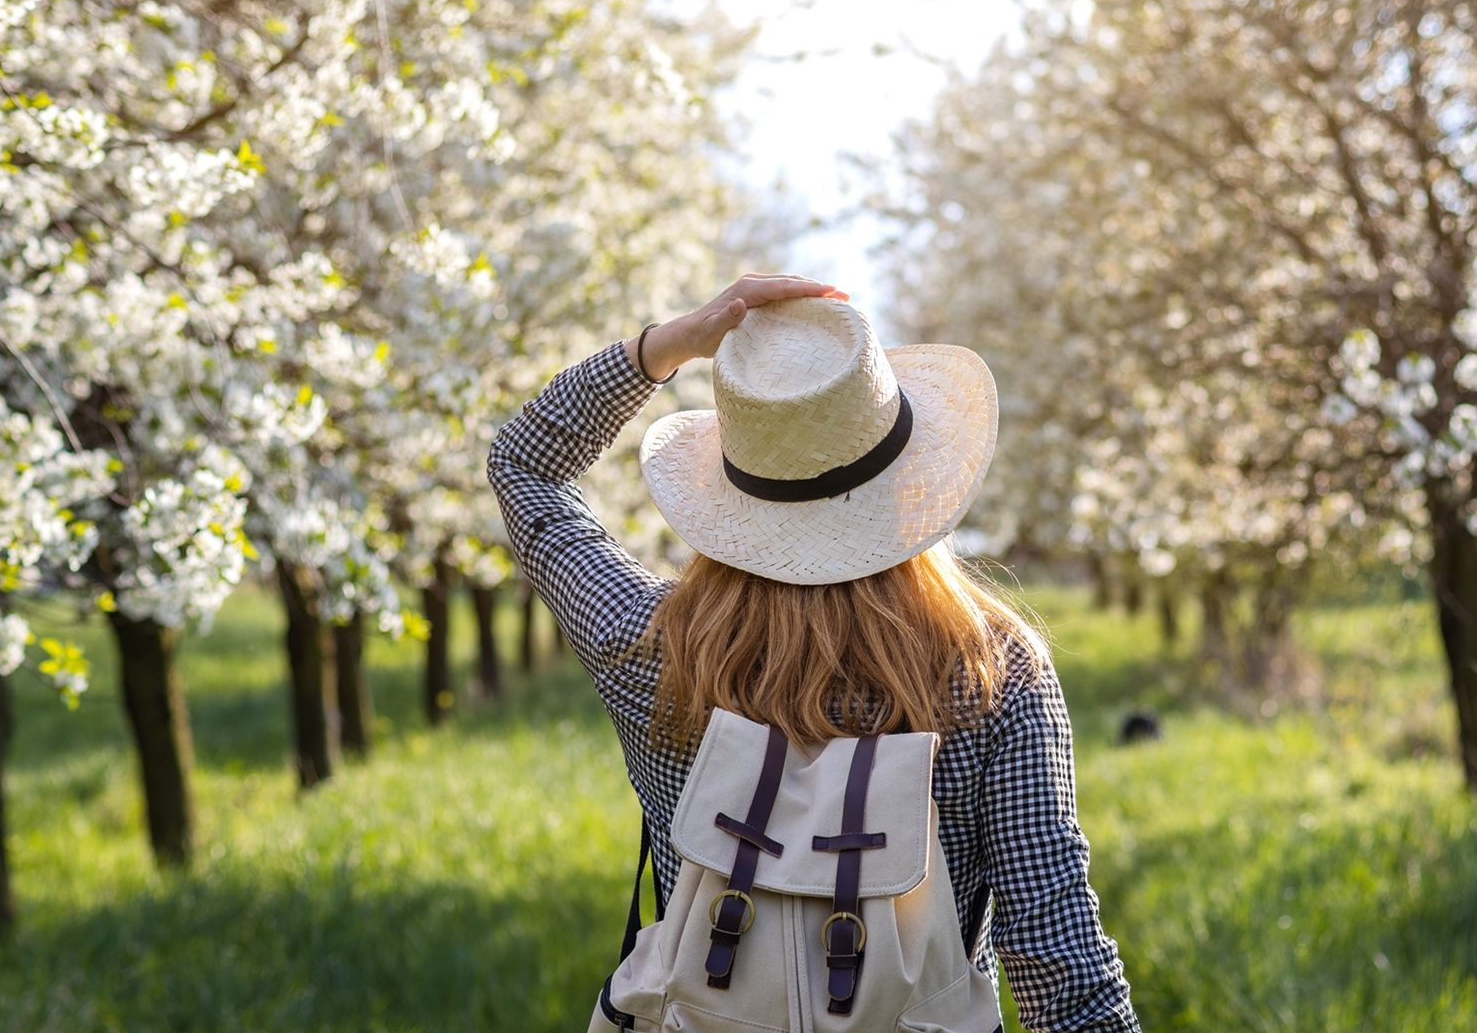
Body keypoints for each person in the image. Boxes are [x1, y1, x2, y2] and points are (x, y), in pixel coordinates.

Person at [488, 273, 1139, 1032]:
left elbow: (523, 467)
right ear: (910, 484)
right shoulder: (993, 672)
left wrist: (665, 347)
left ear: (731, 495)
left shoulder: (651, 648)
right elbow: (1058, 963)